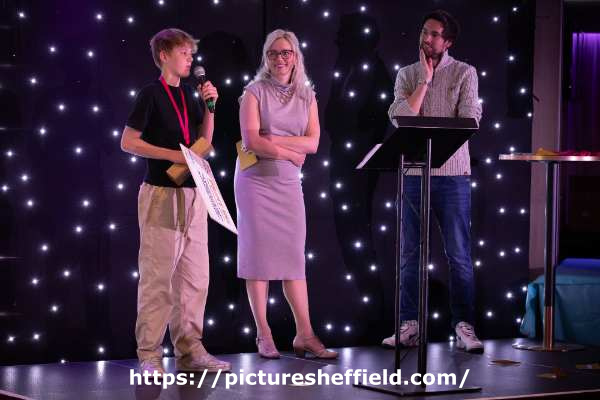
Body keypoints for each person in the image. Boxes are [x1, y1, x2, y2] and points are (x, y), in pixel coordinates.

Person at [121, 28, 231, 375]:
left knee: (195, 278)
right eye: (184, 53)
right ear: (164, 55)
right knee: (158, 279)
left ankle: (191, 351)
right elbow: (128, 142)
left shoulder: (189, 95)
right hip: (161, 194)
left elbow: (203, 144)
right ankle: (149, 355)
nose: (190, 59)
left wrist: (210, 108)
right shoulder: (150, 94)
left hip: (194, 194)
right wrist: (174, 155)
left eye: (191, 54)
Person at [384, 10, 484, 353]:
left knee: (459, 253)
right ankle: (409, 324)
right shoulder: (407, 74)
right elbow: (401, 117)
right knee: (409, 253)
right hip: (414, 174)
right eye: (424, 32)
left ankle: (464, 325)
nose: (426, 39)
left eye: (434, 34)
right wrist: (424, 82)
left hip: (453, 175)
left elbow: (469, 118)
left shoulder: (465, 72)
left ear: (448, 41)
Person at [235, 29, 337, 359]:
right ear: (266, 57)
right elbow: (251, 142)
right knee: (258, 258)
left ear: (295, 57)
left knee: (294, 258)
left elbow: (313, 143)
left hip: (289, 182)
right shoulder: (253, 92)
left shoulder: (307, 95)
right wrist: (289, 152)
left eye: (286, 53)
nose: (280, 59)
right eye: (273, 53)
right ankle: (263, 334)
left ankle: (305, 334)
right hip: (255, 182)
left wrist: (274, 141)